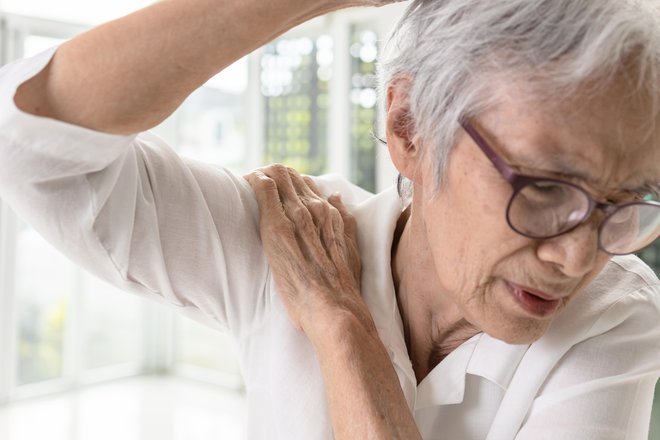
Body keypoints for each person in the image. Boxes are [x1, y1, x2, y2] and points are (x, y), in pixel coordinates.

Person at [0, 0, 659, 438]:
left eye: (627, 201)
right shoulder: (298, 234)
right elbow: (33, 151)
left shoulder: (616, 320)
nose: (577, 259)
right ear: (407, 126)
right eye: (544, 188)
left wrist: (342, 326)